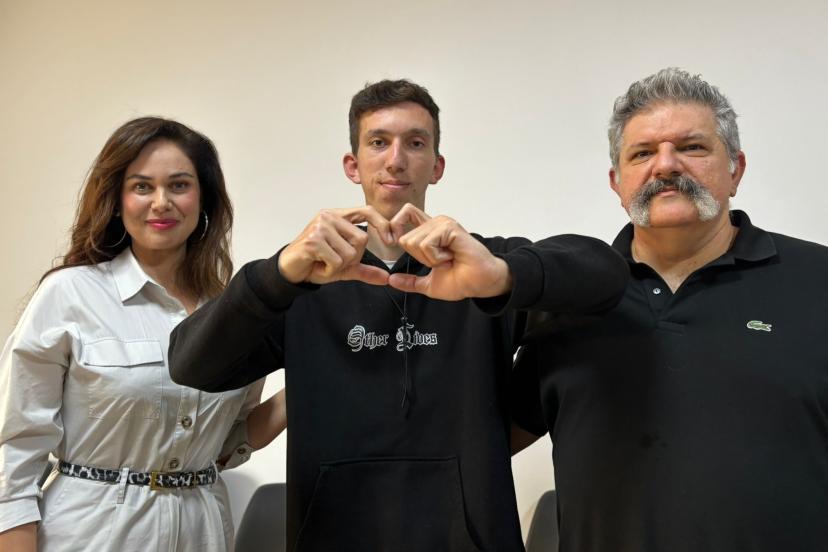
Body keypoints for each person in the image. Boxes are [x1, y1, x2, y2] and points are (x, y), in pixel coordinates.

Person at [168, 79, 629, 551]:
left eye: (415, 143)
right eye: (378, 142)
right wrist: (278, 272)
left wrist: (500, 275)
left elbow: (605, 275)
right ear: (352, 165)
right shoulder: (303, 282)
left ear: (437, 166)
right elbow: (190, 365)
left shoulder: (478, 269)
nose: (395, 160)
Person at [500, 68, 828, 551]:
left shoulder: (817, 280)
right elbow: (482, 447)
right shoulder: (572, 299)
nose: (666, 165)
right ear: (617, 182)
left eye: (692, 147)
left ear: (735, 169)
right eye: (642, 153)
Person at [0, 117, 286, 552]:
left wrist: (310, 381)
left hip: (203, 533)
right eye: (142, 187)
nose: (161, 202)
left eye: (179, 185)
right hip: (91, 534)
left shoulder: (231, 312)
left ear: (204, 199)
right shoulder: (69, 293)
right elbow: (14, 450)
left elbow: (229, 440)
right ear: (117, 201)